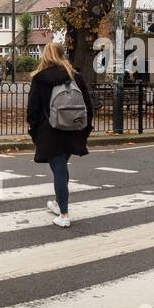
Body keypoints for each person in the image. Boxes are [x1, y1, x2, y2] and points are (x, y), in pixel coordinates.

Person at [27, 42, 94, 228]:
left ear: (45, 56)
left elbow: (33, 108)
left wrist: (34, 131)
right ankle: (58, 203)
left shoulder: (39, 78)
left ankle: (64, 215)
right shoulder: (75, 76)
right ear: (62, 54)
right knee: (61, 167)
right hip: (74, 128)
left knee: (58, 169)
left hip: (50, 130)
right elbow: (88, 105)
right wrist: (85, 129)